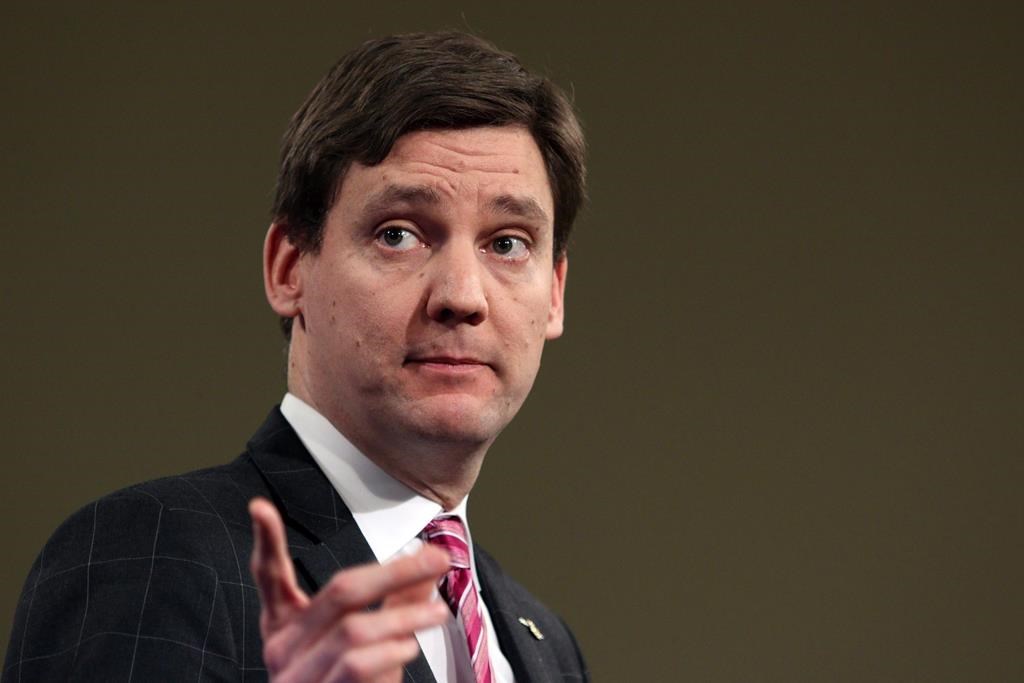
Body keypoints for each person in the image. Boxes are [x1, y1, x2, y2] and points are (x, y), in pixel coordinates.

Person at [3, 31, 588, 682]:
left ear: (554, 294)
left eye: (507, 244)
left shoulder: (547, 648)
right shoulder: (152, 555)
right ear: (289, 269)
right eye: (398, 234)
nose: (461, 296)